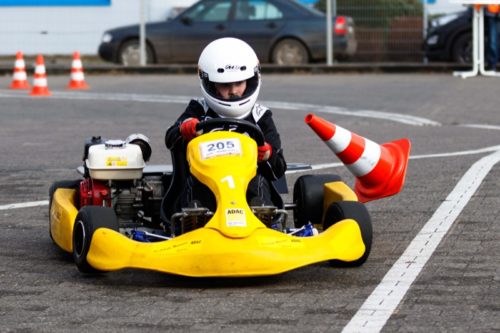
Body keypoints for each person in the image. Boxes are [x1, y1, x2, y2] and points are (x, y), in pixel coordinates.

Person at [165, 37, 287, 212]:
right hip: (206, 182)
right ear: (210, 83)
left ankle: (261, 220)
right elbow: (170, 139)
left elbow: (278, 170)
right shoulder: (199, 109)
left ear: (251, 79)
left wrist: (267, 154)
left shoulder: (260, 116)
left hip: (247, 185)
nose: (233, 91)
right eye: (225, 85)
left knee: (258, 181)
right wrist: (184, 129)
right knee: (195, 183)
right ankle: (194, 221)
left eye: (239, 83)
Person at [485, 4, 500, 71]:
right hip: (492, 14)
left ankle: (492, 65)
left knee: (493, 41)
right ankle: (492, 65)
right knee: (492, 42)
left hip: (494, 13)